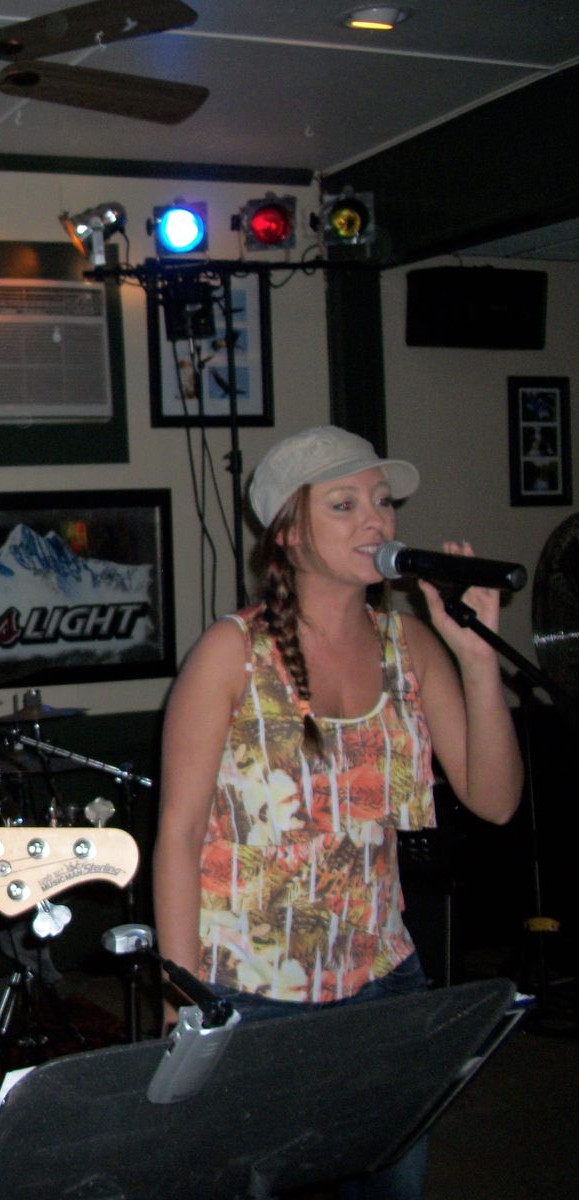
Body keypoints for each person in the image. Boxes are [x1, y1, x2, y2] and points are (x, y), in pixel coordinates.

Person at [153, 425, 522, 1198]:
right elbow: (179, 836)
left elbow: (495, 800)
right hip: (250, 993)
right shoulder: (232, 652)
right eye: (345, 504)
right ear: (288, 531)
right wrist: (183, 1001)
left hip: (384, 980)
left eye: (383, 502)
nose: (377, 520)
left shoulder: (409, 645)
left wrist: (478, 658)